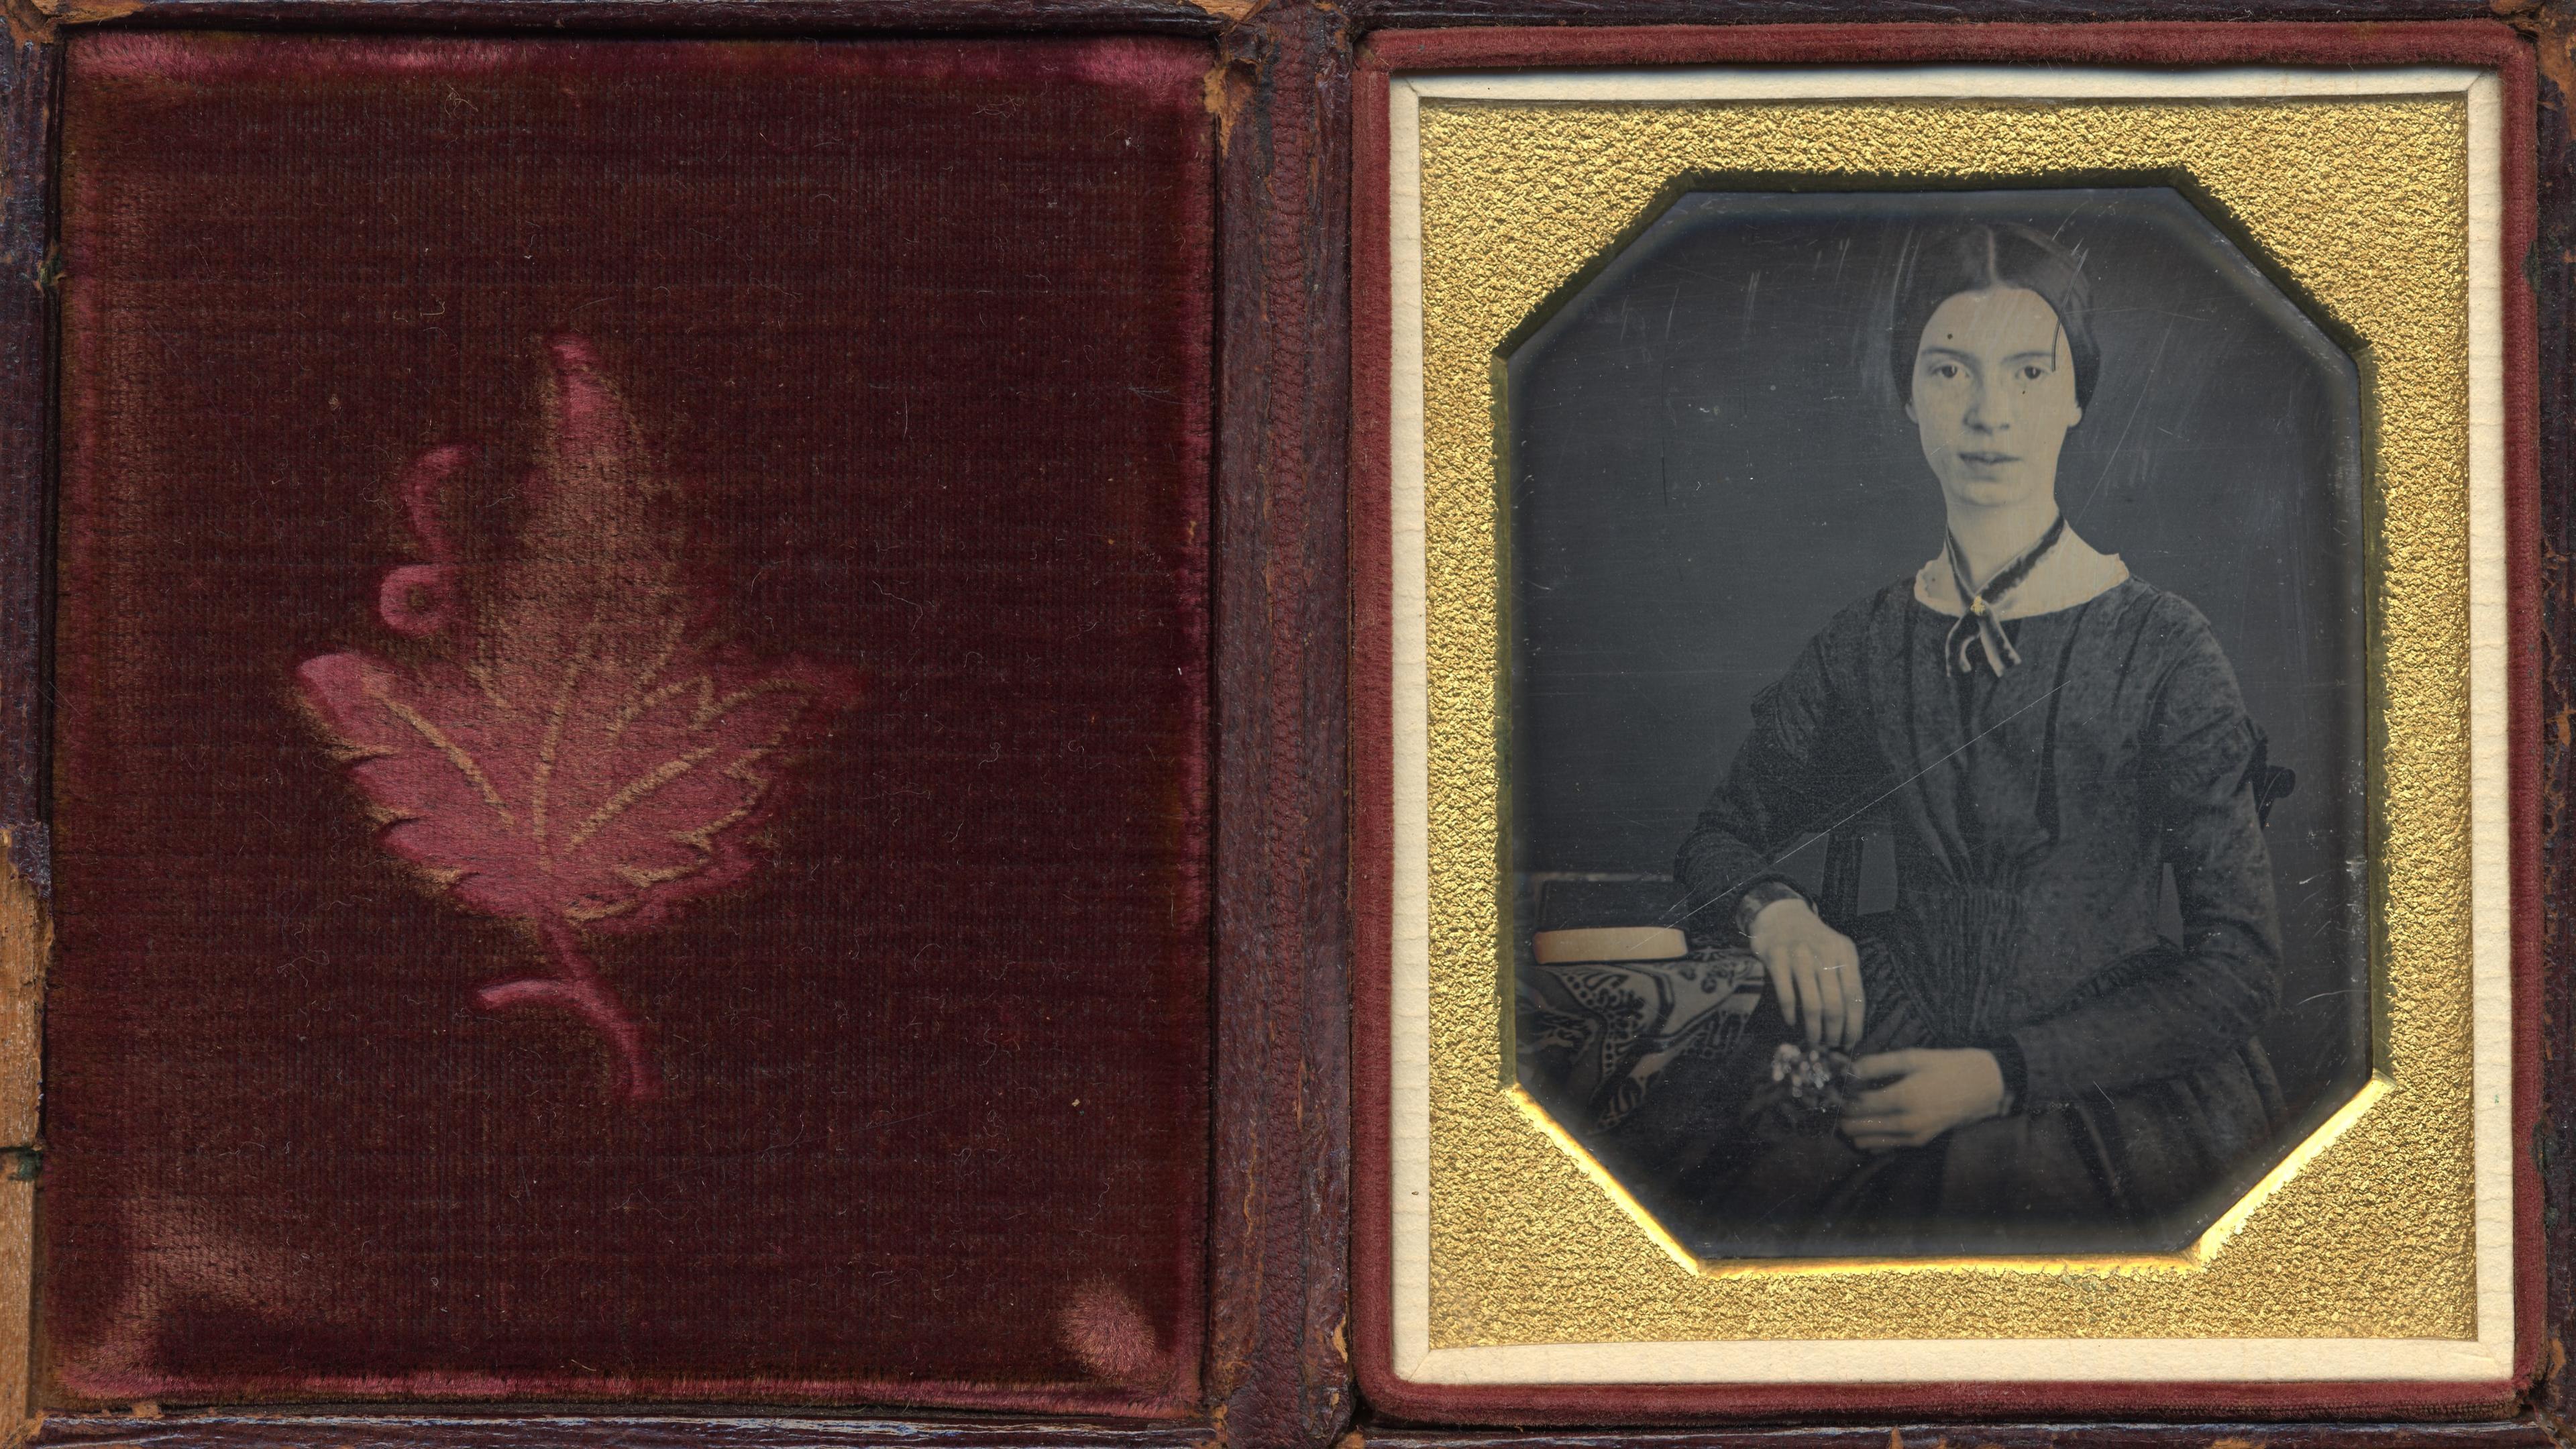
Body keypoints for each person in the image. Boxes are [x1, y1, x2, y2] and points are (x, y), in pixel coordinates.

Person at [1603, 222, 2286, 1256]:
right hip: (1882, 1049)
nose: (1987, 413)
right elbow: (1719, 842)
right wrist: (1779, 915)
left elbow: (2239, 969)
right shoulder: (1867, 641)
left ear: (2075, 399)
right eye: (1949, 369)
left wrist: (2002, 1076)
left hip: (2107, 1095)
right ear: (1910, 397)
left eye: (2025, 372)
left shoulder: (2165, 645)